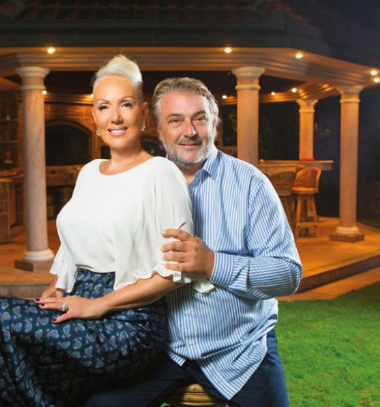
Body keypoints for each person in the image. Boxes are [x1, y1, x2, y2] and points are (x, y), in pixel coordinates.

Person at [0, 56, 211, 407]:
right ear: (94, 117)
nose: (115, 117)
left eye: (126, 105)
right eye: (104, 107)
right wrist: (56, 289)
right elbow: (71, 251)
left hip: (129, 323)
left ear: (143, 113)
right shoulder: (89, 172)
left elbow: (175, 274)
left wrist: (98, 305)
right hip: (77, 302)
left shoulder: (161, 173)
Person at [85, 77, 303, 407]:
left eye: (199, 118)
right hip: (163, 348)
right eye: (175, 120)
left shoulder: (251, 185)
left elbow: (288, 274)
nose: (190, 131)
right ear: (157, 128)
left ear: (214, 123)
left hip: (240, 350)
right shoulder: (138, 184)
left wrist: (213, 264)